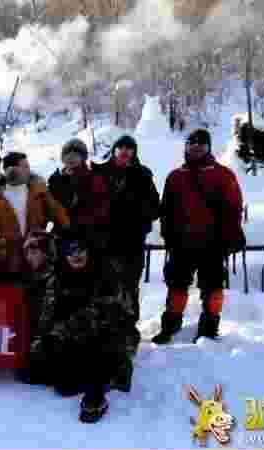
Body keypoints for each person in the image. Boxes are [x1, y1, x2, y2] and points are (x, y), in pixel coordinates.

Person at [153, 129, 244, 344]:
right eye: (192, 144)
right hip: (182, 242)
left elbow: (234, 208)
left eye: (201, 145)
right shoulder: (176, 176)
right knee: (176, 285)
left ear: (208, 148)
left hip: (213, 242)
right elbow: (166, 210)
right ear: (186, 147)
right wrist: (169, 236)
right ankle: (170, 327)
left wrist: (228, 237)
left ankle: (209, 330)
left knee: (212, 287)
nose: (196, 148)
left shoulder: (223, 175)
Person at [38, 236, 140, 423]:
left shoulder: (107, 274)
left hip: (109, 336)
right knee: (62, 384)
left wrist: (83, 321)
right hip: (74, 338)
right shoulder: (58, 279)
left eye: (80, 250)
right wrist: (53, 337)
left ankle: (99, 391)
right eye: (70, 252)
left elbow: (123, 314)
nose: (76, 256)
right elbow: (47, 320)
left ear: (89, 251)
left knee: (102, 353)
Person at [91, 135, 160, 323]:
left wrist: (138, 215)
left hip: (132, 241)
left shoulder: (143, 175)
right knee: (104, 286)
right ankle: (104, 328)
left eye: (129, 148)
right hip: (104, 241)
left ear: (134, 152)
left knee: (129, 287)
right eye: (121, 146)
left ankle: (129, 328)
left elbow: (155, 207)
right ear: (114, 150)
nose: (124, 151)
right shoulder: (99, 172)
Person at [0, 152, 69, 281]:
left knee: (39, 290)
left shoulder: (40, 192)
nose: (28, 170)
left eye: (28, 166)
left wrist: (62, 238)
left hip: (37, 256)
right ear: (11, 170)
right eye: (25, 166)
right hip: (8, 261)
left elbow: (60, 217)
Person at [19, 230, 61, 386]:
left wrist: (38, 342)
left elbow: (48, 316)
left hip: (53, 337)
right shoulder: (31, 277)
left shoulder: (55, 278)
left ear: (46, 253)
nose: (29, 257)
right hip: (35, 336)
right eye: (27, 253)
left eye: (34, 252)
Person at [48, 138, 89, 217]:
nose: (71, 157)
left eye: (75, 154)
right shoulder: (55, 179)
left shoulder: (89, 177)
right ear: (63, 158)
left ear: (83, 158)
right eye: (67, 154)